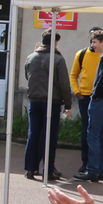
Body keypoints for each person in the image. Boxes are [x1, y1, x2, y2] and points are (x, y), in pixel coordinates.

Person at [23, 31, 72, 183]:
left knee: (33, 134)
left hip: (34, 100)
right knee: (49, 136)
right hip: (52, 101)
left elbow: (27, 76)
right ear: (55, 42)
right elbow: (64, 84)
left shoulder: (31, 57)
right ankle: (48, 170)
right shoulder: (58, 59)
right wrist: (68, 103)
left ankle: (30, 169)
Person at [69, 28, 103, 178]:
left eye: (95, 42)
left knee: (93, 136)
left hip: (99, 101)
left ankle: (93, 170)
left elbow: (101, 82)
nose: (92, 45)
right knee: (102, 135)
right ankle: (99, 170)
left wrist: (94, 95)